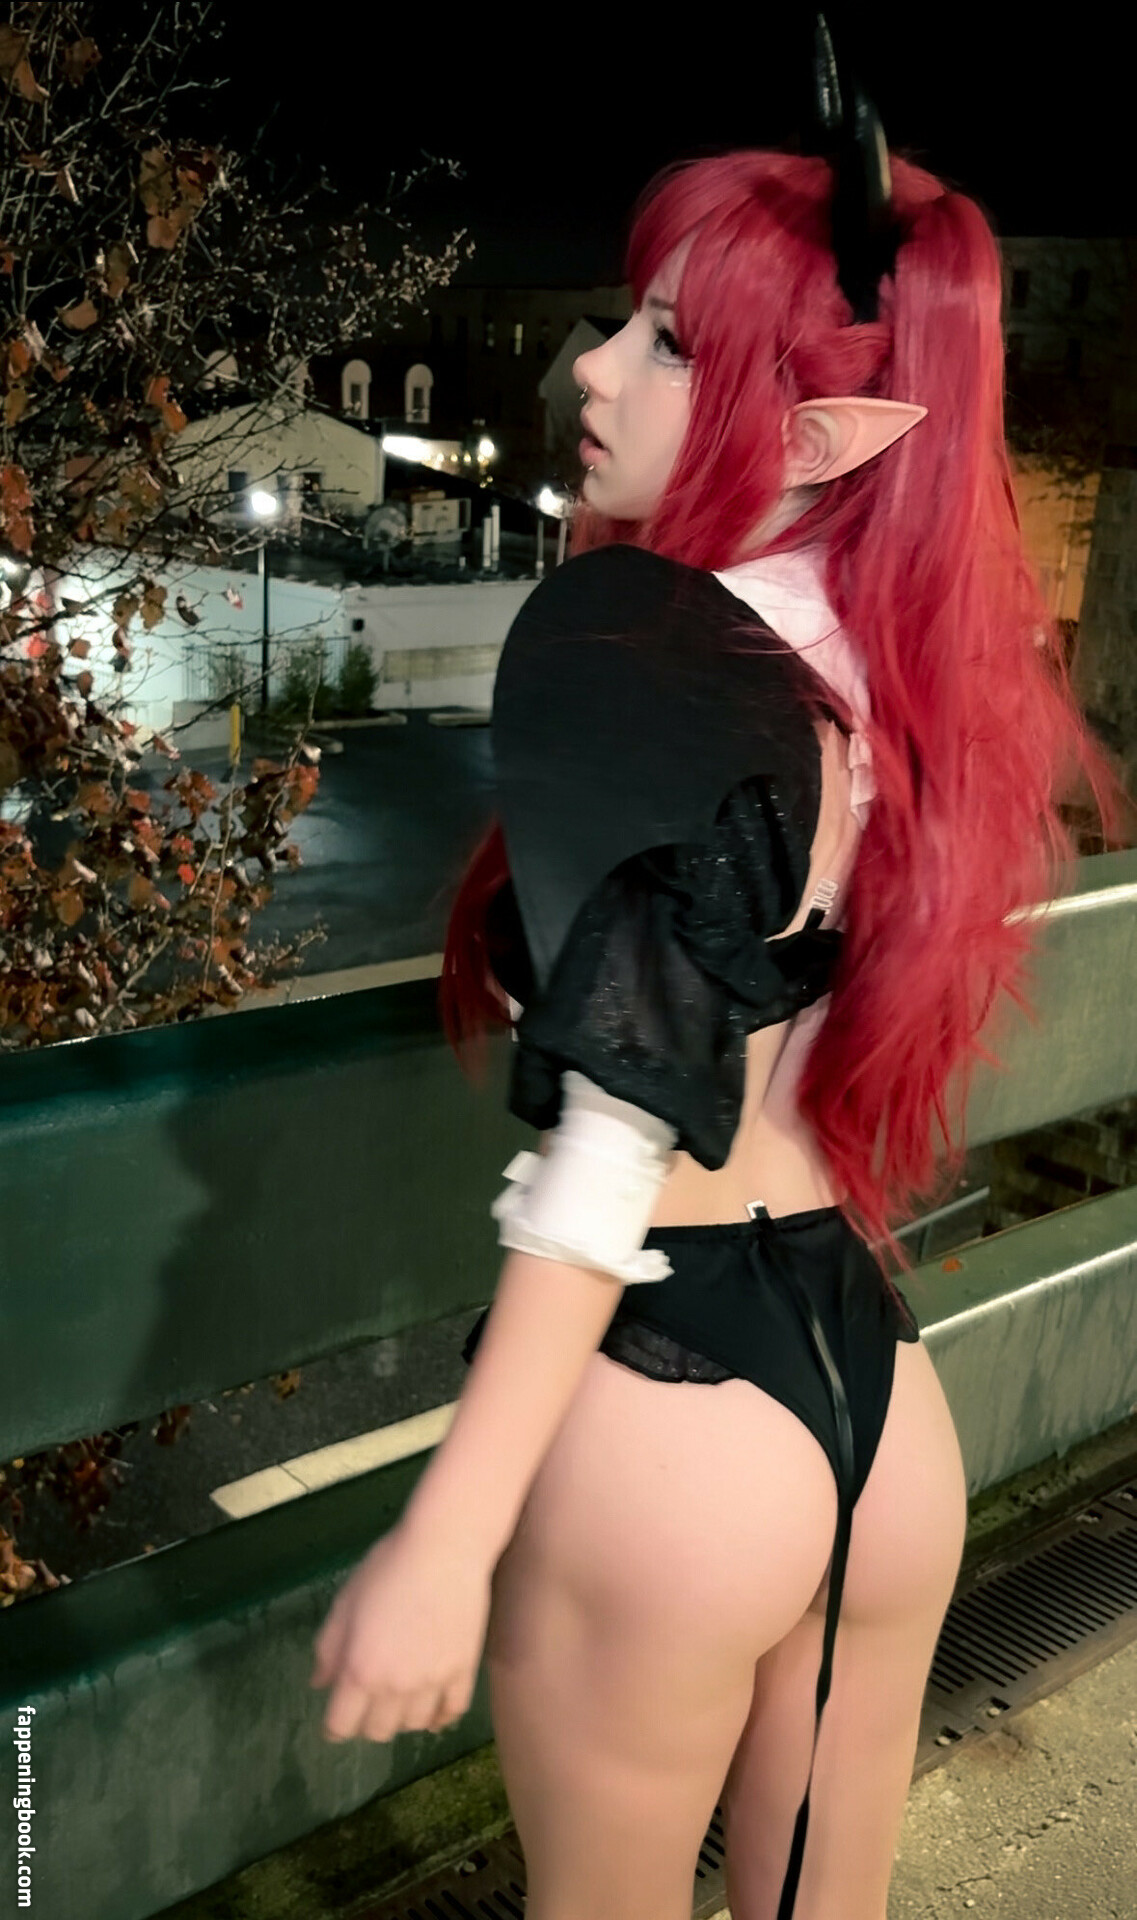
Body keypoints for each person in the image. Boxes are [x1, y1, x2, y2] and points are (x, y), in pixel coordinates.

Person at [310, 22, 1128, 1920]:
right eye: (624, 319)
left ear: (826, 437)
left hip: (668, 1427)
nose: (589, 368)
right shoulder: (883, 665)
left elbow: (609, 1152)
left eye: (672, 343)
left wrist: (449, 1530)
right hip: (869, 1399)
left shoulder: (661, 662)